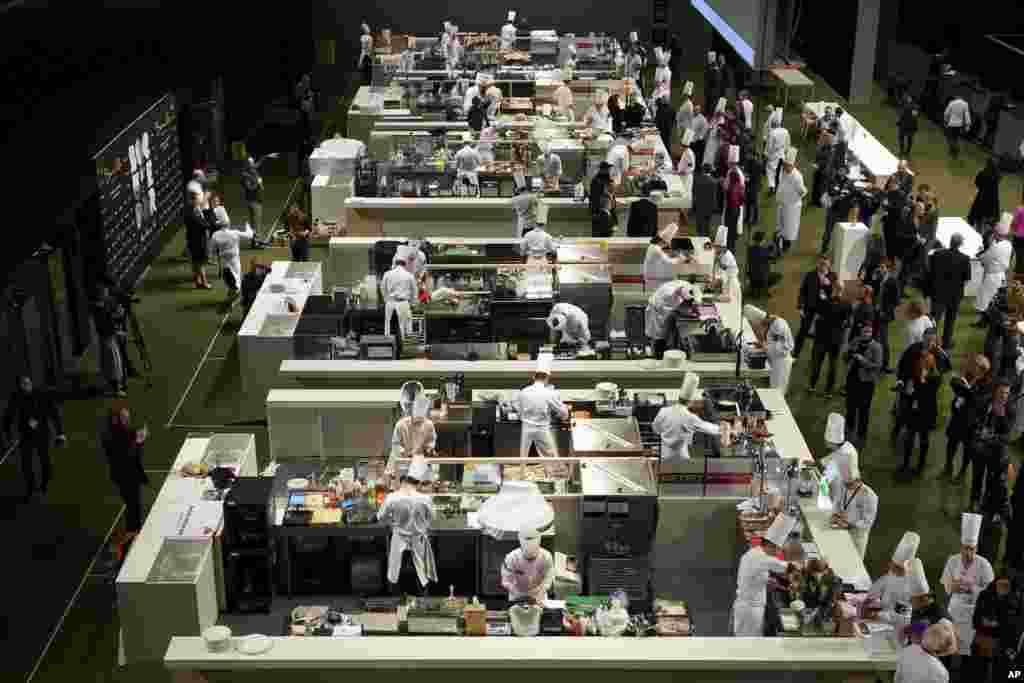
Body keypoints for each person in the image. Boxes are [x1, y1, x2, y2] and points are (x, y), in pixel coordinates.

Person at [941, 513, 995, 668]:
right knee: (949, 645)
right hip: (954, 611)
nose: (968, 553)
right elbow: (946, 585)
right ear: (961, 547)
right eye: (965, 549)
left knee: (968, 652)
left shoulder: (984, 565)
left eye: (971, 549)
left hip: (973, 614)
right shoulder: (952, 561)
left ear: (976, 548)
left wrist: (973, 589)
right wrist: (952, 586)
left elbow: (990, 594)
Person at [732, 513, 799, 636]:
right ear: (771, 545)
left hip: (748, 605)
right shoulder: (761, 558)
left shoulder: (755, 553)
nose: (779, 552)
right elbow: (789, 567)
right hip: (750, 610)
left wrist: (768, 581)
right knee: (750, 645)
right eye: (779, 549)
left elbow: (754, 575)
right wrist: (811, 565)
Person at [378, 456, 437, 595]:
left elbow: (381, 517)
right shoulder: (426, 499)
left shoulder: (392, 497)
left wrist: (392, 521)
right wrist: (422, 524)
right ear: (416, 482)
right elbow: (432, 518)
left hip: (399, 537)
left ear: (402, 481)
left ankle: (395, 597)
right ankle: (422, 598)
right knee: (421, 571)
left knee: (394, 572)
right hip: (418, 538)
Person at [2, 376, 65, 502]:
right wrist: (10, 435)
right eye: (22, 384)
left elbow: (53, 413)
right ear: (19, 386)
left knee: (45, 461)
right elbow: (8, 416)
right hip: (25, 435)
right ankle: (30, 488)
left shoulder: (41, 395)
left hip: (42, 434)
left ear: (31, 383)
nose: (25, 385)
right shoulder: (16, 397)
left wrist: (60, 433)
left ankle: (45, 484)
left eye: (27, 382)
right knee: (26, 463)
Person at [652, 371, 722, 462]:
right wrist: (725, 429)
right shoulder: (689, 417)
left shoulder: (663, 411)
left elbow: (655, 429)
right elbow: (709, 428)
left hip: (664, 458)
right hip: (682, 460)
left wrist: (666, 434)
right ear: (690, 402)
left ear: (678, 398)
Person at [968, 380, 1015, 512]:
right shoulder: (984, 402)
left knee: (991, 480)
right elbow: (973, 420)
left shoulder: (1010, 409)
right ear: (995, 392)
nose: (1004, 396)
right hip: (979, 449)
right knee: (977, 477)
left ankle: (986, 504)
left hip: (996, 453)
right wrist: (978, 432)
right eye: (1001, 392)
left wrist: (1001, 417)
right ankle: (974, 501)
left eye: (1006, 393)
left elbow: (1007, 437)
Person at [102, 405, 150, 533]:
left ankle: (134, 529)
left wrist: (138, 438)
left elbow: (131, 439)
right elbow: (129, 454)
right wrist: (139, 442)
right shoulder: (119, 435)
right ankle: (133, 530)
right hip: (126, 475)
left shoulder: (114, 433)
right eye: (124, 416)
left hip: (124, 474)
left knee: (133, 504)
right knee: (133, 505)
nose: (127, 418)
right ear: (117, 419)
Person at [897, 345, 944, 474]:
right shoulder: (914, 376)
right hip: (913, 410)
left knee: (924, 439)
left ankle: (920, 466)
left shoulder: (935, 378)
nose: (922, 365)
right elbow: (909, 390)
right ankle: (905, 463)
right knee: (909, 437)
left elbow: (929, 393)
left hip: (926, 411)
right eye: (921, 362)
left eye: (925, 362)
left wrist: (922, 381)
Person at [513, 354, 569, 462]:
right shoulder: (550, 393)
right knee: (550, 455)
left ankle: (522, 474)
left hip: (526, 427)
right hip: (542, 428)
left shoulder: (523, 392)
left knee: (523, 455)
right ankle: (555, 476)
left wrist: (524, 417)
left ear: (534, 377)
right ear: (547, 378)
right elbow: (564, 412)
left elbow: (518, 409)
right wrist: (563, 416)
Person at [969, 571, 1022, 683]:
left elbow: (1015, 625)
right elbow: (976, 620)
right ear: (995, 584)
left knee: (1001, 673)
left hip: (1004, 643)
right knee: (977, 671)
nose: (1002, 588)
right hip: (983, 640)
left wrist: (994, 624)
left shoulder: (1016, 600)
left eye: (1006, 586)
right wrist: (989, 624)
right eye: (1000, 584)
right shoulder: (985, 595)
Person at [946, 355, 992, 482]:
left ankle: (962, 473)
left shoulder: (986, 385)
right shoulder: (967, 376)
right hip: (957, 417)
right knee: (951, 443)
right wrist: (965, 382)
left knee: (967, 449)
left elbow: (976, 401)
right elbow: (953, 382)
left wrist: (966, 389)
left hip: (971, 423)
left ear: (982, 370)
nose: (971, 366)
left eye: (974, 365)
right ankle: (948, 467)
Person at [925, 233, 972, 351]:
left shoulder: (937, 254)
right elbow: (966, 280)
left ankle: (930, 342)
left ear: (950, 242)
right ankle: (946, 342)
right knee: (950, 320)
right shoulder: (965, 259)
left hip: (938, 293)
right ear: (960, 244)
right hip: (954, 295)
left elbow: (930, 273)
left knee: (934, 320)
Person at [829, 448, 877, 558]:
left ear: (858, 480)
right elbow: (837, 501)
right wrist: (835, 514)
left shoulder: (870, 496)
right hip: (841, 530)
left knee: (854, 566)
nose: (846, 487)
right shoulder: (843, 485)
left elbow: (868, 521)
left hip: (857, 537)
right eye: (845, 484)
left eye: (849, 484)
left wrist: (850, 524)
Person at [807, 280, 850, 398]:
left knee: (817, 363)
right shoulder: (846, 304)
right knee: (832, 366)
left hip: (822, 338)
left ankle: (812, 385)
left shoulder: (824, 302)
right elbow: (847, 323)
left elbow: (817, 315)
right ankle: (828, 391)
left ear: (834, 289)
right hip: (835, 340)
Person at [844, 320, 883, 444]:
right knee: (850, 405)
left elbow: (877, 365)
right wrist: (848, 355)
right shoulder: (855, 341)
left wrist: (863, 360)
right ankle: (848, 428)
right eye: (864, 331)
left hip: (866, 382)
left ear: (872, 332)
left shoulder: (876, 346)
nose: (866, 333)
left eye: (869, 331)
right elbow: (845, 357)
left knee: (864, 408)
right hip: (852, 379)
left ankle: (861, 433)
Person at [743, 305, 795, 394]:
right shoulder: (771, 324)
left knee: (777, 392)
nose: (759, 326)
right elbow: (773, 343)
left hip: (781, 363)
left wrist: (765, 348)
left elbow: (785, 348)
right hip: (775, 361)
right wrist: (762, 345)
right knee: (773, 390)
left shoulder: (779, 326)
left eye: (759, 323)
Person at [973, 213, 1013, 327]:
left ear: (998, 234)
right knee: (991, 299)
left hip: (993, 275)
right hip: (1000, 274)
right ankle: (985, 321)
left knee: (985, 299)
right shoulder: (1007, 244)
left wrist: (980, 255)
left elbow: (986, 258)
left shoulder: (997, 246)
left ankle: (986, 321)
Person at [208, 203, 254, 300]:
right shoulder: (234, 233)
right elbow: (250, 235)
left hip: (224, 261)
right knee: (236, 277)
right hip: (234, 259)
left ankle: (232, 291)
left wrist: (213, 258)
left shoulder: (215, 235)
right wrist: (248, 227)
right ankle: (235, 292)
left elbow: (211, 250)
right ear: (228, 223)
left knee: (229, 278)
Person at [385, 395, 436, 482]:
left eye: (422, 419)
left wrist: (429, 449)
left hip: (419, 462)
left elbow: (431, 441)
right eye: (418, 419)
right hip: (401, 462)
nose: (420, 421)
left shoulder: (429, 425)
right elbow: (395, 444)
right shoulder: (401, 424)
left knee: (419, 487)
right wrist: (405, 453)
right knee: (399, 487)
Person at [868, 531, 921, 617]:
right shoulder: (891, 574)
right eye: (892, 565)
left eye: (896, 568)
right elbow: (876, 589)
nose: (891, 569)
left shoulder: (910, 587)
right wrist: (870, 598)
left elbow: (902, 616)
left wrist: (879, 615)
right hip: (880, 613)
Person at [91, 283, 129, 397]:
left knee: (110, 365)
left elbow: (109, 322)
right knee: (114, 365)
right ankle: (115, 389)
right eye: (105, 292)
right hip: (108, 340)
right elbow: (107, 327)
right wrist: (119, 333)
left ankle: (111, 387)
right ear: (101, 294)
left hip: (107, 339)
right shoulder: (100, 309)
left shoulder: (100, 307)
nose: (107, 294)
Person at [501, 525, 555, 604]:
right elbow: (506, 581)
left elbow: (549, 578)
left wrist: (540, 590)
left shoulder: (546, 557)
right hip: (516, 596)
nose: (530, 560)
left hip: (539, 596)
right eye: (527, 557)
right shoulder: (511, 558)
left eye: (533, 556)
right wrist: (519, 593)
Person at [793, 256, 834, 358]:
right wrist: (800, 307)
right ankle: (795, 354)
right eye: (821, 264)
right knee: (803, 331)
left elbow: (835, 294)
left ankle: (815, 358)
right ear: (818, 264)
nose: (823, 266)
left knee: (819, 335)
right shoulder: (810, 275)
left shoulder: (832, 276)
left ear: (829, 265)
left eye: (825, 264)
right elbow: (802, 291)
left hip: (823, 310)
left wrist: (828, 285)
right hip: (808, 308)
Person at [646, 281, 695, 359]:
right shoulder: (669, 294)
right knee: (660, 334)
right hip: (656, 311)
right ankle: (658, 355)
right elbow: (667, 308)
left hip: (664, 309)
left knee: (666, 331)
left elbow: (688, 301)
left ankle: (663, 352)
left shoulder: (685, 287)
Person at [381, 257, 417, 353]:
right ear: (404, 264)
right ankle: (404, 346)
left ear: (395, 264)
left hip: (390, 301)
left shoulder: (387, 274)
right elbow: (414, 291)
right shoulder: (409, 275)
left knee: (387, 322)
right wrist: (412, 303)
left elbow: (382, 288)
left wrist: (386, 299)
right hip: (403, 302)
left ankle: (387, 344)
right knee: (404, 325)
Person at [239, 155, 275, 249]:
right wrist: (257, 182)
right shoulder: (245, 175)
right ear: (247, 165)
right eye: (251, 163)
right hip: (253, 201)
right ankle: (256, 243)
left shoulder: (251, 171)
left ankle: (256, 241)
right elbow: (250, 187)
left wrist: (266, 156)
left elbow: (258, 163)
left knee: (255, 223)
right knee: (256, 223)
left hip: (256, 200)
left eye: (252, 162)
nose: (253, 164)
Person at [775, 147, 807, 250]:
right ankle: (779, 240)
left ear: (792, 165)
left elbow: (803, 192)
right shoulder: (783, 171)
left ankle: (786, 244)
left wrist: (793, 198)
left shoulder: (797, 177)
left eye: (787, 166)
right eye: (784, 165)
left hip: (792, 206)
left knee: (789, 227)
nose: (785, 168)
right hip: (783, 202)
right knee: (781, 223)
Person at [184, 185, 213, 289]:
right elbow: (202, 224)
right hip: (196, 240)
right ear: (192, 200)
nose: (198, 201)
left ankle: (198, 282)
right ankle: (204, 283)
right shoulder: (191, 212)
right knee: (199, 263)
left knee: (196, 263)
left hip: (195, 239)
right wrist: (208, 223)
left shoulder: (193, 208)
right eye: (197, 199)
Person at [643, 223, 683, 291]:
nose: (666, 246)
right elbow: (669, 262)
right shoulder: (656, 249)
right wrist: (680, 259)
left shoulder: (652, 246)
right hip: (653, 278)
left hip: (651, 273)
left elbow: (663, 256)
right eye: (666, 244)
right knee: (676, 281)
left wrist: (673, 255)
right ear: (663, 241)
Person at [721, 145, 745, 253]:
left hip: (733, 205)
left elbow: (731, 189)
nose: (727, 163)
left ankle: (730, 247)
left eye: (729, 162)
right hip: (733, 204)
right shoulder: (732, 172)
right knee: (731, 226)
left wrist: (724, 185)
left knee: (731, 227)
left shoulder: (735, 174)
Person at [710, 224, 741, 303]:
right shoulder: (720, 254)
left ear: (723, 247)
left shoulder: (727, 255)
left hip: (731, 284)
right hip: (726, 283)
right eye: (715, 247)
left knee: (731, 303)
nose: (716, 249)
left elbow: (724, 268)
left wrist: (717, 260)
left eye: (717, 247)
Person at [969, 158, 1003, 231]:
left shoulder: (982, 173)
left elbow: (977, 183)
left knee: (978, 217)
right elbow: (999, 179)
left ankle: (979, 231)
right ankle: (986, 233)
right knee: (989, 220)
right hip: (992, 200)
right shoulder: (997, 175)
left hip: (982, 198)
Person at [747, 231, 781, 296]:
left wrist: (769, 248)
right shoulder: (765, 251)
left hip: (752, 278)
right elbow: (775, 260)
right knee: (778, 276)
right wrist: (777, 246)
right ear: (762, 240)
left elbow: (760, 251)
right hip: (762, 279)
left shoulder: (750, 249)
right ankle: (764, 289)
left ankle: (754, 289)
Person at [811, 128, 837, 207]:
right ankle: (814, 200)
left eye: (828, 137)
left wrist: (818, 165)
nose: (826, 138)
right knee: (815, 184)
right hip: (819, 169)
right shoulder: (823, 145)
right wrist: (816, 163)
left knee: (821, 187)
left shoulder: (831, 149)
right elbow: (818, 155)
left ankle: (819, 202)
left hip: (824, 171)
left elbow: (827, 160)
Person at [692, 163, 719, 238]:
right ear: (710, 171)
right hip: (708, 206)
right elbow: (713, 196)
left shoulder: (697, 179)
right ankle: (706, 240)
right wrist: (714, 207)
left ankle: (699, 238)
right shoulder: (713, 182)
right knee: (707, 225)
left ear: (703, 170)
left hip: (699, 205)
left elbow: (694, 192)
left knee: (699, 224)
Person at [764, 114, 790, 193]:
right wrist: (786, 151)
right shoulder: (785, 131)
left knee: (770, 170)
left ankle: (772, 186)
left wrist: (767, 154)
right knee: (780, 171)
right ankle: (778, 186)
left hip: (774, 154)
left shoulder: (773, 133)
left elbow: (770, 145)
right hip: (782, 154)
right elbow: (787, 143)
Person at [944, 94, 972, 159]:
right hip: (959, 125)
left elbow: (946, 113)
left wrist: (945, 121)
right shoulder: (965, 104)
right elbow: (967, 115)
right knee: (955, 138)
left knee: (950, 138)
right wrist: (967, 125)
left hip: (952, 124)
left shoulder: (952, 103)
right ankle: (954, 151)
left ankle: (953, 151)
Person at [1012, 189, 1024, 276]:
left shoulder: (1020, 209)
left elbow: (1014, 223)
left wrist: (1014, 228)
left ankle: (1018, 270)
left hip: (1019, 236)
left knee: (1019, 254)